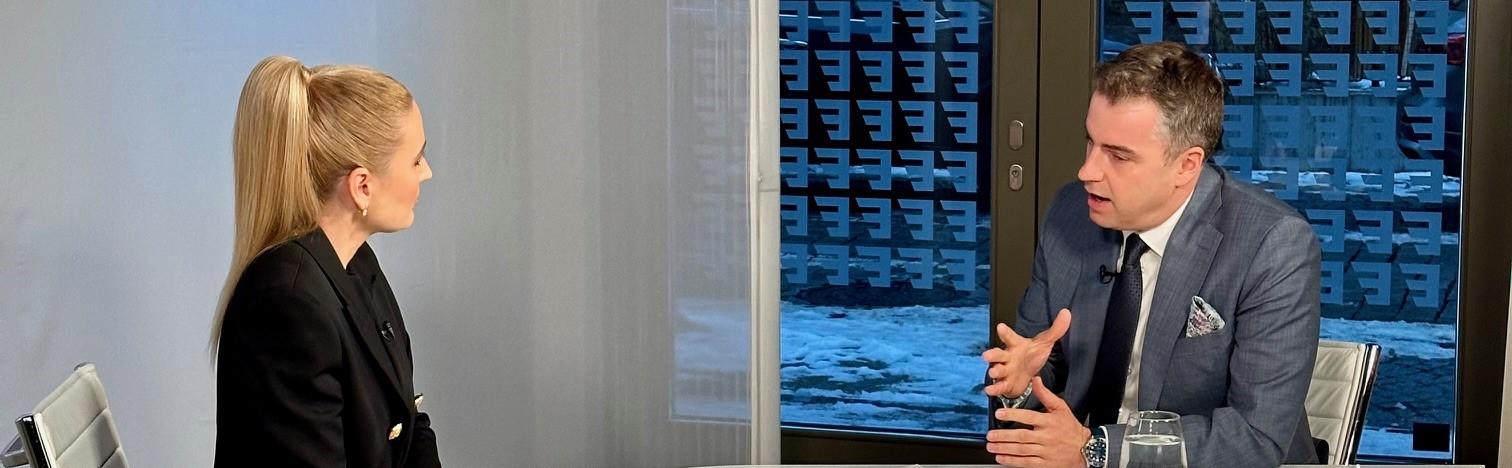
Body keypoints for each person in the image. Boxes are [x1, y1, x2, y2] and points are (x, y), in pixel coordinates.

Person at [981, 42, 1321, 467]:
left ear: (1186, 165)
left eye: (1118, 156)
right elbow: (1042, 367)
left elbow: (1254, 437)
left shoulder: (1272, 245)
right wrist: (1020, 385)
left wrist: (1096, 450)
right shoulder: (1070, 214)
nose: (1087, 171)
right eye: (1090, 142)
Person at [210, 55, 440, 468]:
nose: (427, 173)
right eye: (416, 159)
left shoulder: (356, 264)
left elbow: (407, 420)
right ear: (362, 186)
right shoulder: (287, 305)